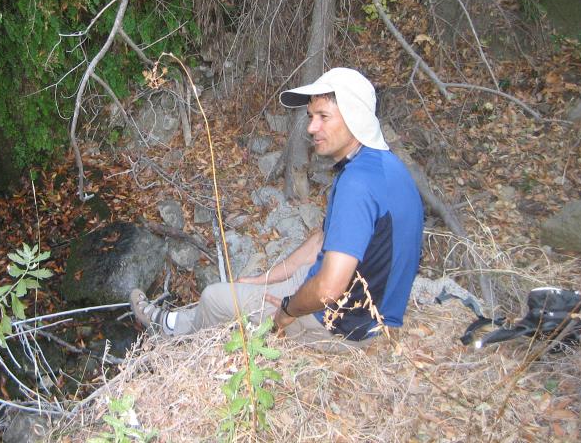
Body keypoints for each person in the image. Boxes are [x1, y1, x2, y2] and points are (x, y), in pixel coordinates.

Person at [130, 67, 424, 348]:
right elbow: (321, 241)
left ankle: (167, 331)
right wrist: (263, 280)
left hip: (343, 329)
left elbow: (328, 289)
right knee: (261, 285)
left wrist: (287, 310)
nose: (311, 128)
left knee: (213, 298)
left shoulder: (356, 184)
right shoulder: (385, 167)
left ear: (355, 116)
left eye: (323, 116)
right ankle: (175, 321)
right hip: (369, 313)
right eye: (311, 116)